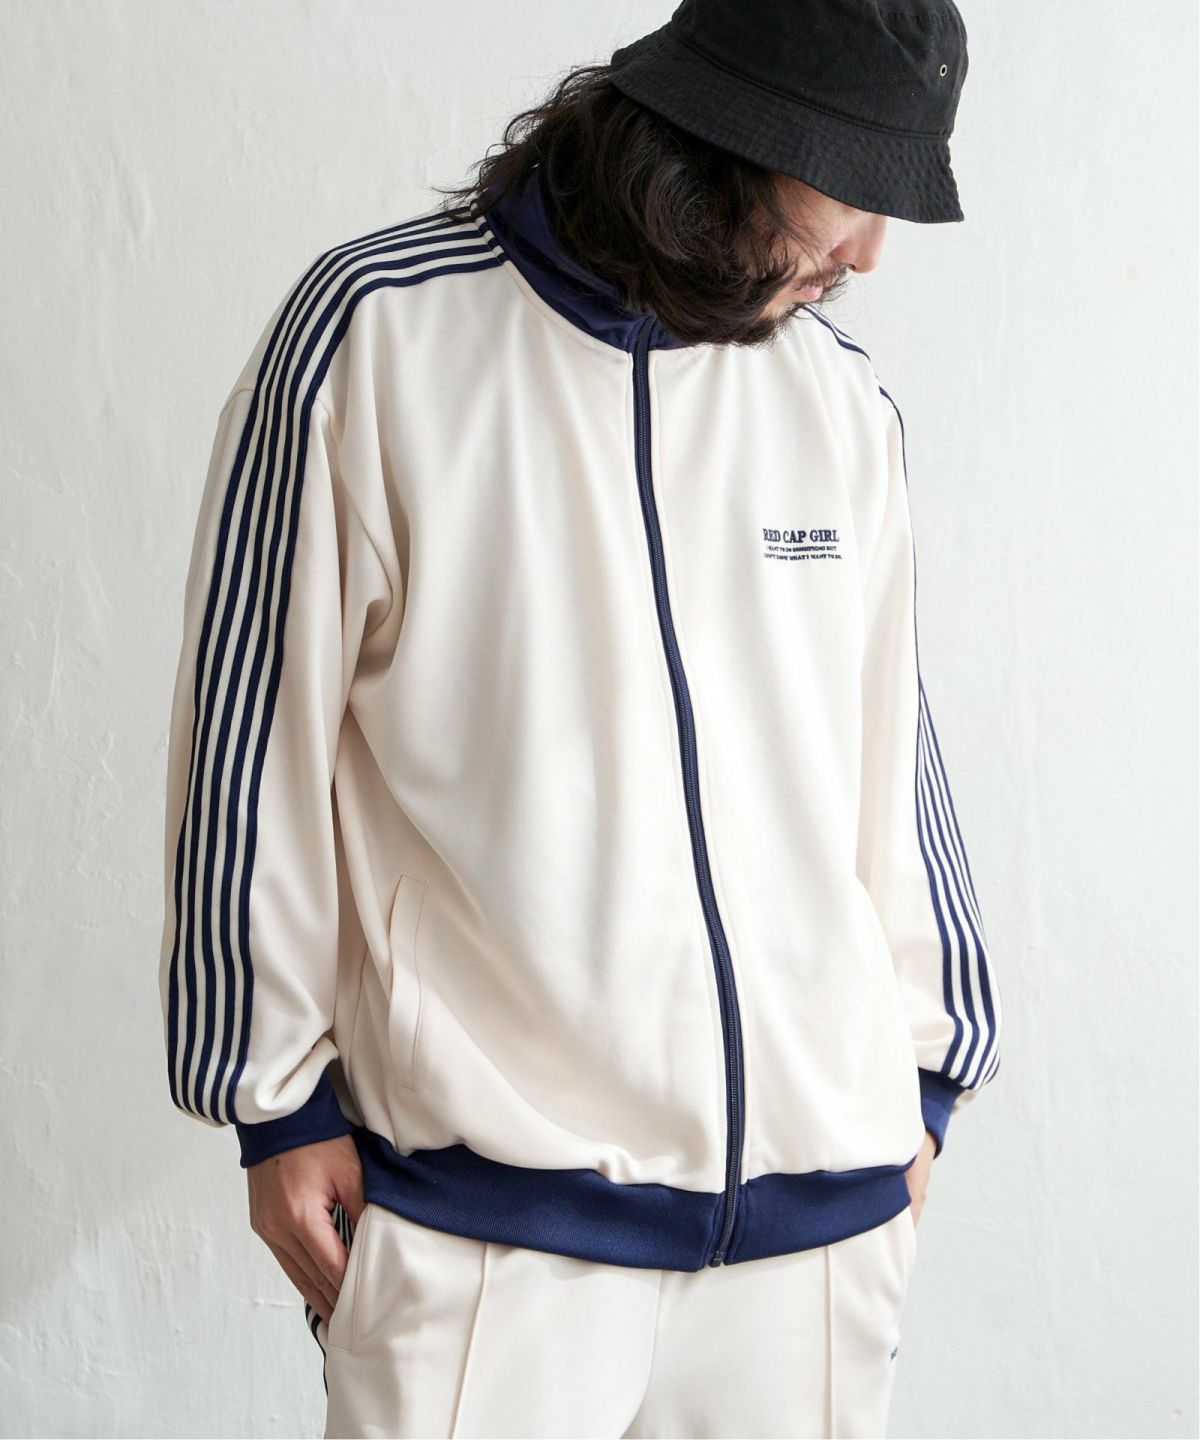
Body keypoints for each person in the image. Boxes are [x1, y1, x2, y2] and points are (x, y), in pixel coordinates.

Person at [157, 1, 1004, 1434]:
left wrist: (926, 1080)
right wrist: (271, 1097)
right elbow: (252, 728)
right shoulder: (377, 338)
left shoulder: (837, 402)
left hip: (817, 1239)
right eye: (853, 187)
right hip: (489, 1229)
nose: (870, 254)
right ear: (725, 134)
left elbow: (892, 765)